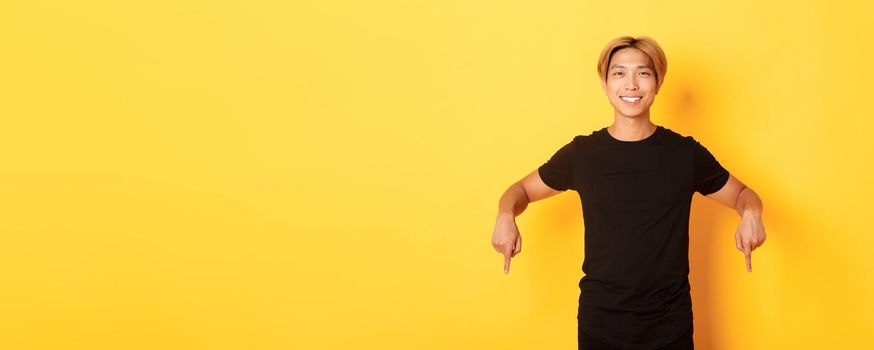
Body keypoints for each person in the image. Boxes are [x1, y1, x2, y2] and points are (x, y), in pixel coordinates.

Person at [490, 36, 767, 350]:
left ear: (658, 82)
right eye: (619, 73)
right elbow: (521, 190)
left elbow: (743, 193)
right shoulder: (583, 154)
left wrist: (751, 213)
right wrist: (505, 214)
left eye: (643, 73)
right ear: (605, 83)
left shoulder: (684, 154)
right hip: (600, 324)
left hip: (670, 326)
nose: (631, 84)